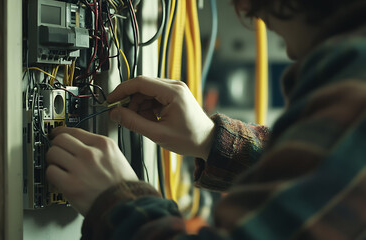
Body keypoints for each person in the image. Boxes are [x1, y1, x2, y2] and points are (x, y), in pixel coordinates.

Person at [46, 0, 366, 239]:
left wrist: (117, 201)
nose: (294, 56)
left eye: (268, 23)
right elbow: (316, 173)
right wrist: (212, 139)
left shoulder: (355, 83)